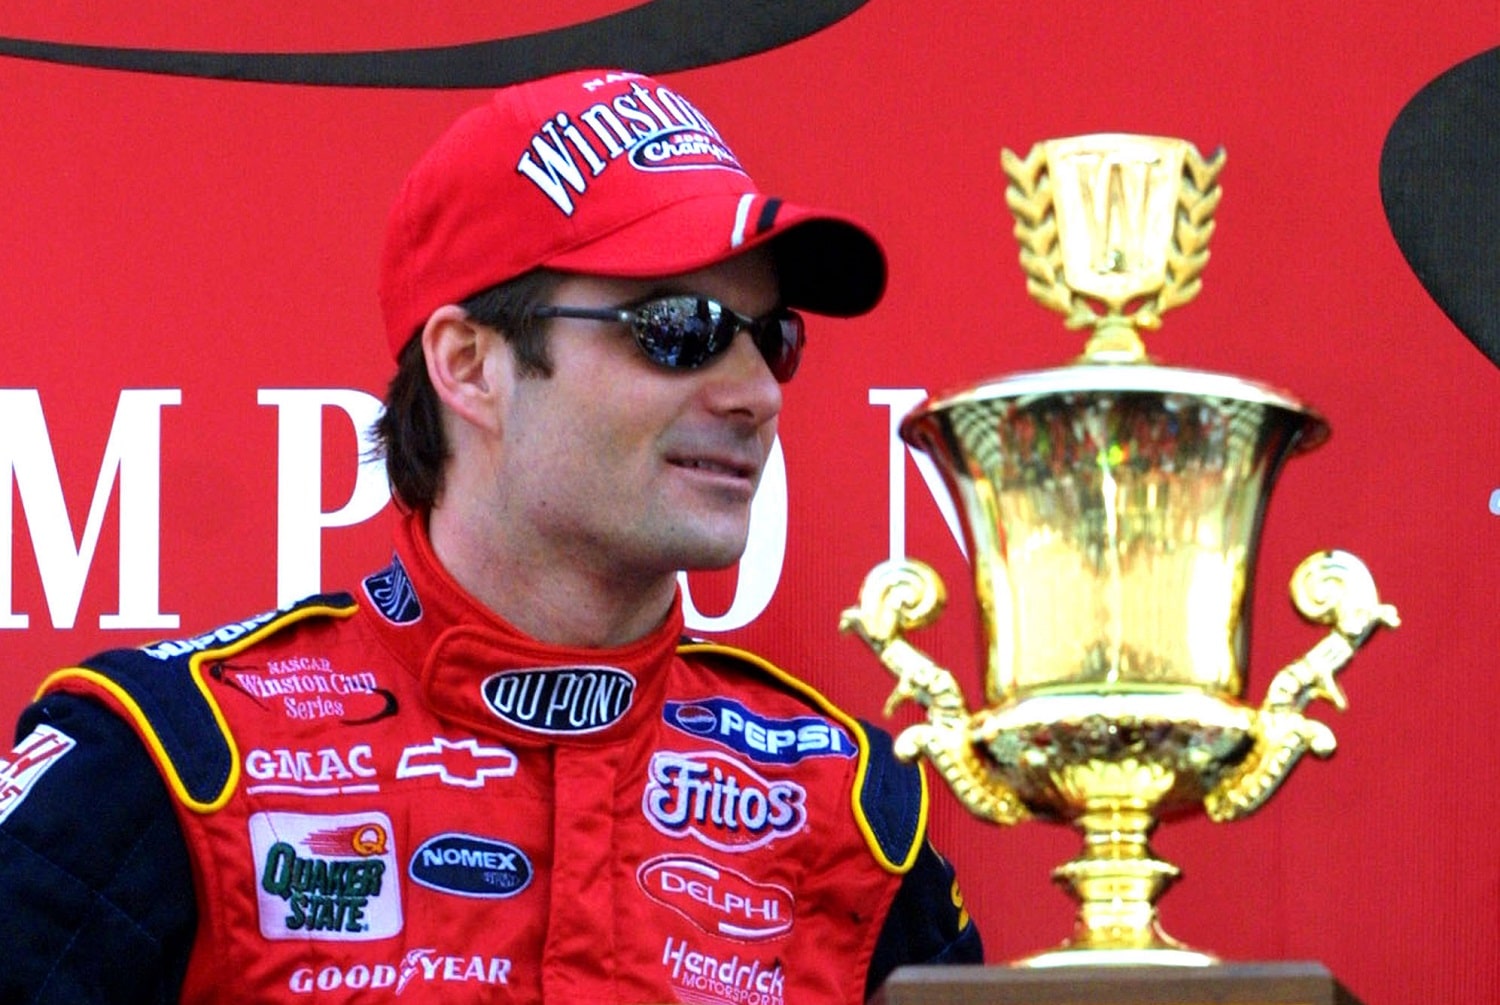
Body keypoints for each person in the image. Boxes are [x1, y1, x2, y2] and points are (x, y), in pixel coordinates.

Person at [0, 68, 980, 1004]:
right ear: (470, 365)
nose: (756, 394)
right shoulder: (177, 764)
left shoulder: (850, 811)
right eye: (679, 326)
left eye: (774, 339)